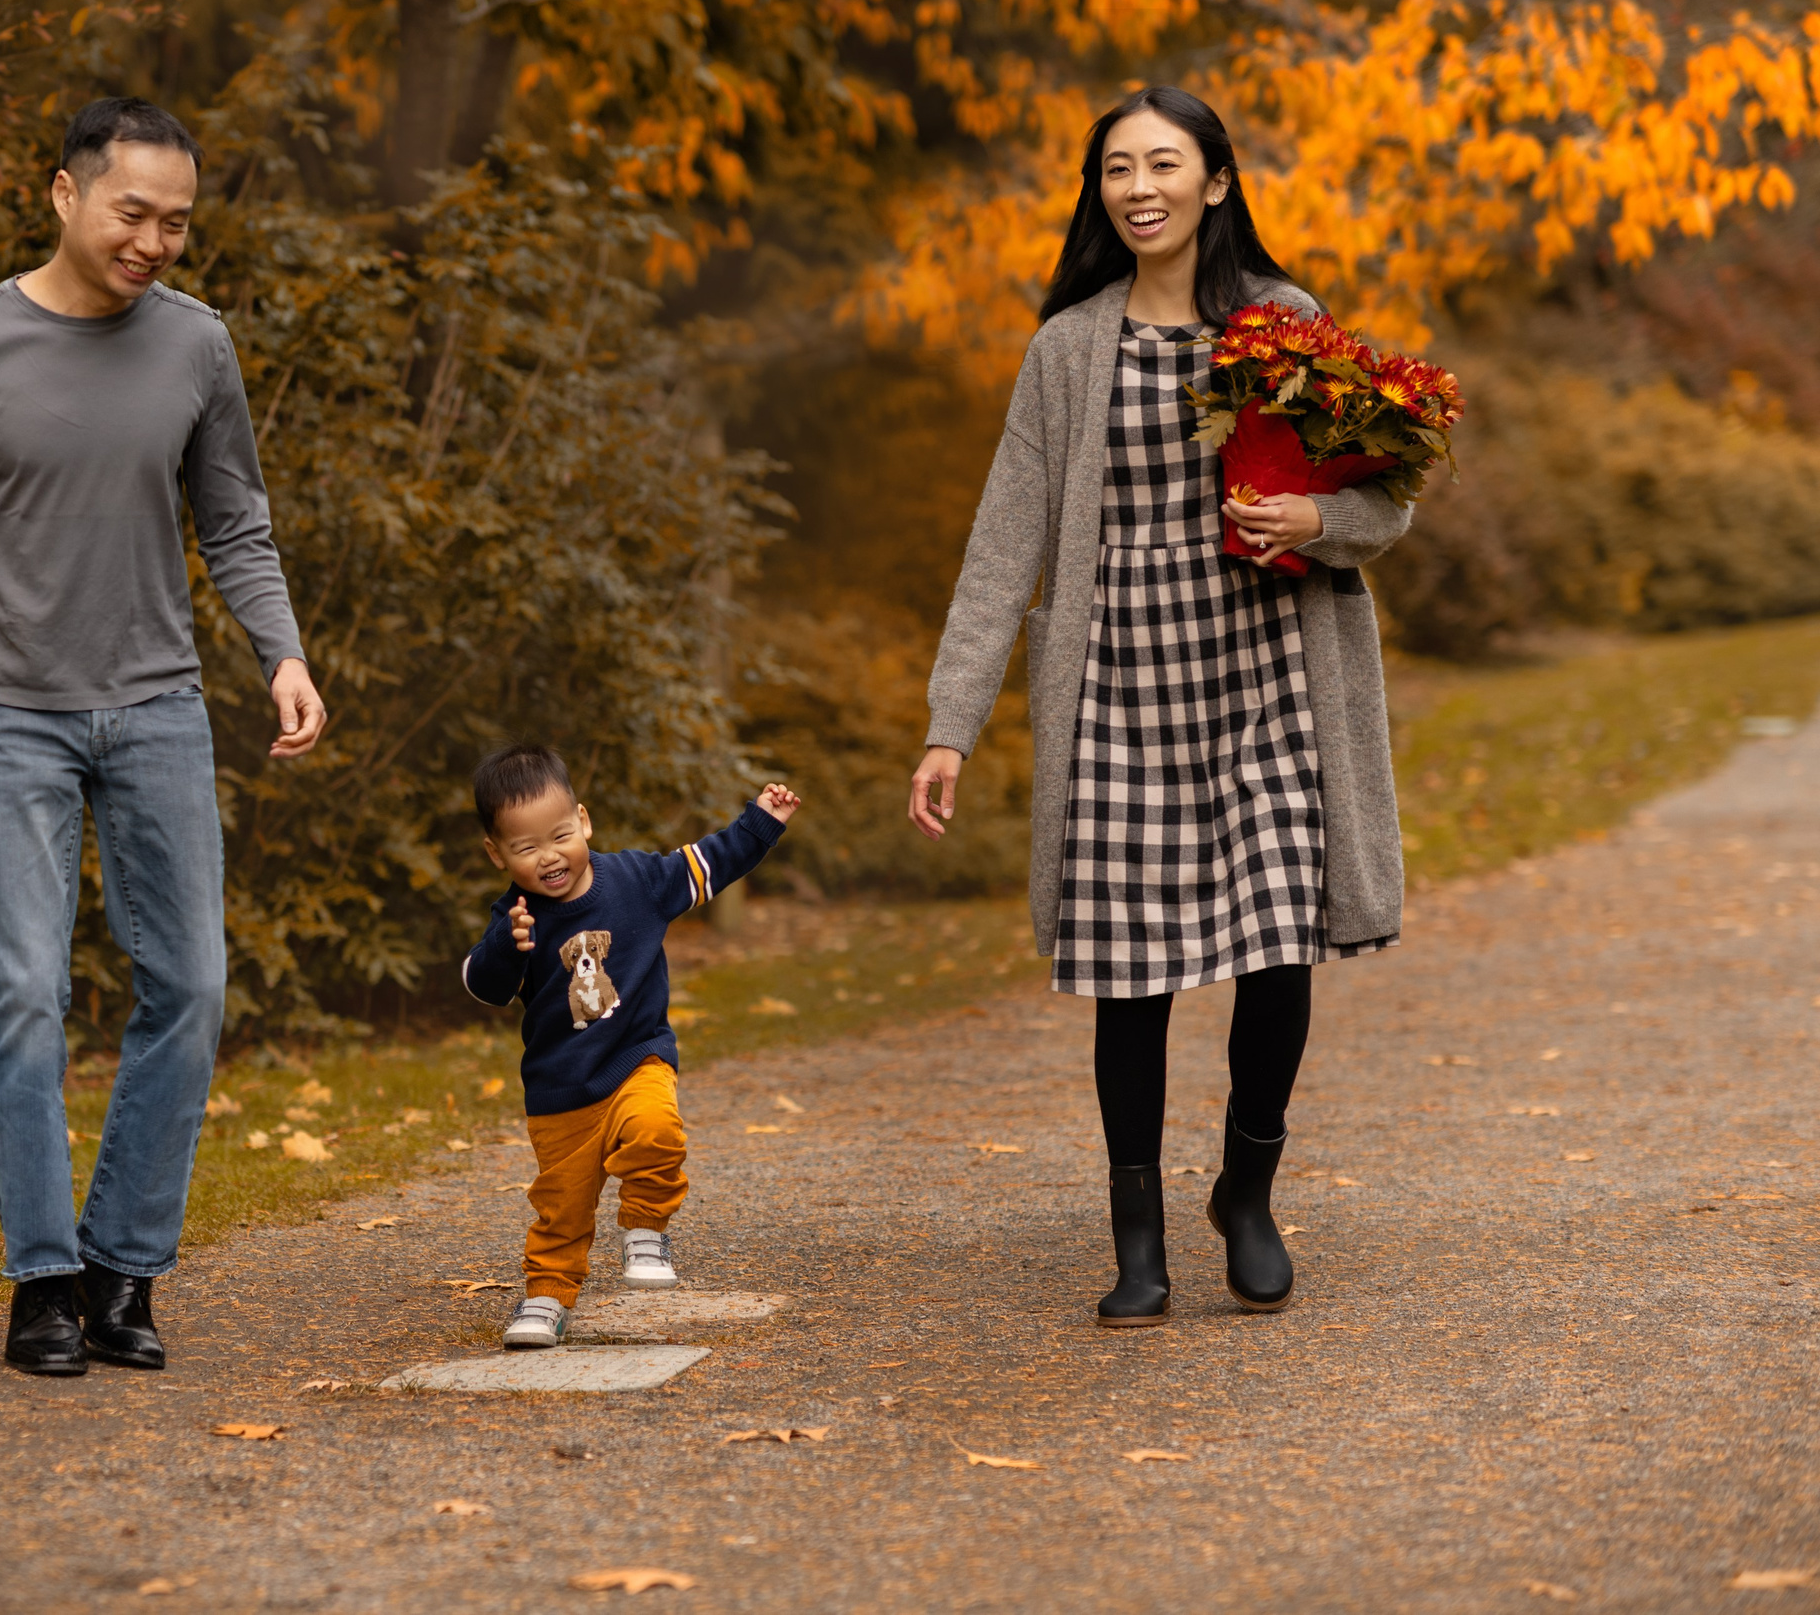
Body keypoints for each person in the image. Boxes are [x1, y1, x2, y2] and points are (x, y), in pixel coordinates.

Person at [907, 87, 1410, 1327]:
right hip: (1121, 695)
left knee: (1279, 944)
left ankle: (1247, 1190)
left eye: (1163, 164)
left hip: (1267, 678)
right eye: (1117, 169)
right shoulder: (1066, 350)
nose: (1139, 188)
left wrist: (1313, 517)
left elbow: (1385, 498)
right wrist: (949, 724)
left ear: (1215, 181)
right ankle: (1137, 1238)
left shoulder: (1285, 323)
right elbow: (1003, 544)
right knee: (1129, 974)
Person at [0, 97, 327, 1376]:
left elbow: (233, 519)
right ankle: (41, 1284)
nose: (154, 242)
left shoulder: (197, 346)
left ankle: (123, 1266)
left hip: (158, 707)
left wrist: (282, 652)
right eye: (133, 213)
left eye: (176, 223)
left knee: (192, 985)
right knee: (23, 991)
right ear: (64, 194)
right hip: (8, 715)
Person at [461, 745, 801, 1348]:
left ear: (583, 822)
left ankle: (646, 1228)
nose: (549, 857)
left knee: (656, 1130)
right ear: (497, 854)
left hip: (636, 1057)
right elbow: (481, 985)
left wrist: (761, 823)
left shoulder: (637, 880)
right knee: (561, 1208)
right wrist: (506, 948)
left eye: (560, 836)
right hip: (560, 1089)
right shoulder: (517, 917)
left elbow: (708, 864)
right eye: (526, 847)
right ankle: (546, 1296)